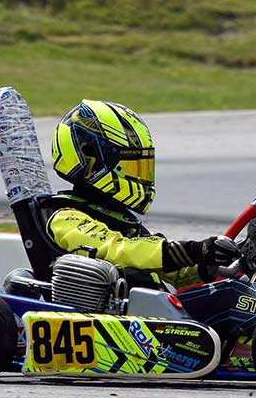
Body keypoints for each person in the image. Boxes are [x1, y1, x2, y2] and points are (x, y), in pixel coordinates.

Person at [43, 99, 239, 289]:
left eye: (142, 166)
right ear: (90, 158)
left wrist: (211, 262)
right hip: (114, 316)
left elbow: (166, 271)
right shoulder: (65, 217)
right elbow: (120, 251)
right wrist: (193, 249)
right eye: (130, 165)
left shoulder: (119, 218)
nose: (139, 176)